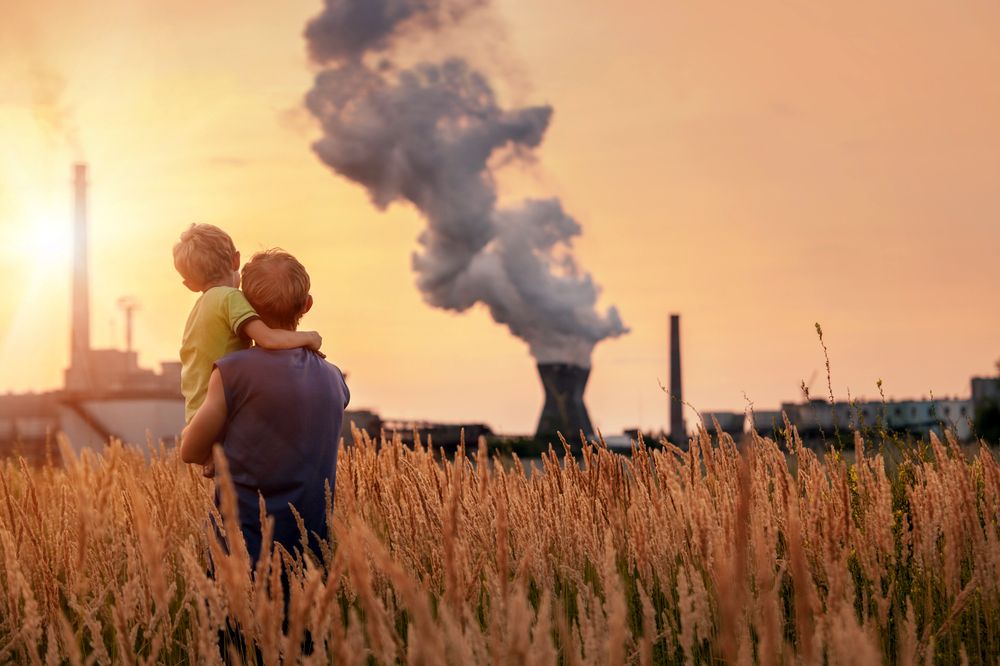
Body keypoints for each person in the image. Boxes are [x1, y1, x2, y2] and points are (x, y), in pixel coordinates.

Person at [179, 249, 350, 564]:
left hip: (239, 560)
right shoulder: (334, 379)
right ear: (307, 305)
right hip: (311, 560)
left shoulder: (232, 372)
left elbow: (190, 451)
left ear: (244, 305)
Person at [173, 224, 323, 474]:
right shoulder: (230, 299)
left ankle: (212, 459)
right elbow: (268, 340)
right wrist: (309, 338)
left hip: (197, 413)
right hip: (219, 411)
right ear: (236, 260)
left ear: (189, 284)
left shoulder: (201, 307)